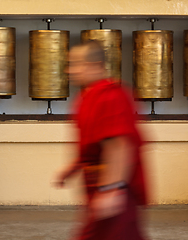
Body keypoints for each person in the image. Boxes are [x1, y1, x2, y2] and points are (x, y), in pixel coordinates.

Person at [53, 40, 148, 239]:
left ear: (95, 65)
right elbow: (91, 143)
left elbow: (119, 146)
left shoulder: (111, 96)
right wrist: (73, 168)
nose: (70, 70)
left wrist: (111, 190)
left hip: (113, 187)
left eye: (76, 64)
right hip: (97, 186)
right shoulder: (87, 96)